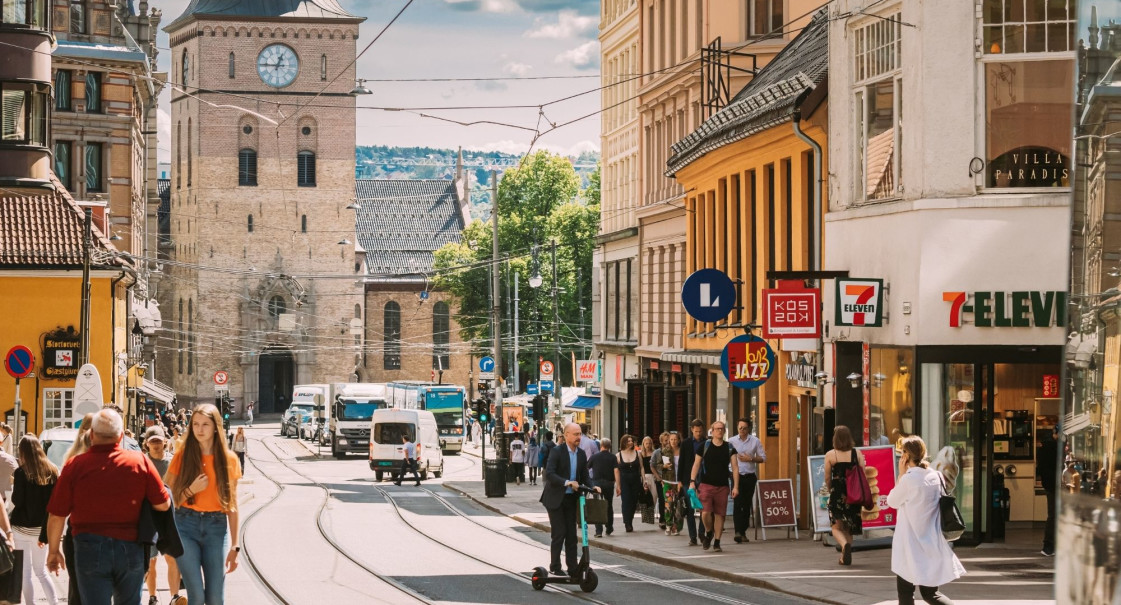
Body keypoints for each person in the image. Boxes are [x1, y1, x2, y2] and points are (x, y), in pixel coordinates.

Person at [46, 409, 171, 604]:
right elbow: (163, 505)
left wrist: (53, 551)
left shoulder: (75, 465)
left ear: (92, 435)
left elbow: (57, 515)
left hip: (88, 545)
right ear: (121, 436)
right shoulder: (140, 462)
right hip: (130, 545)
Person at [165, 404, 242, 605]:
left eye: (205, 424)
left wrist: (235, 545)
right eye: (196, 424)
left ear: (216, 427)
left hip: (216, 528)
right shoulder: (182, 456)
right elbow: (166, 496)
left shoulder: (230, 459)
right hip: (185, 526)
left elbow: (232, 505)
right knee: (197, 597)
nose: (200, 429)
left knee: (216, 599)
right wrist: (191, 490)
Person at [888, 436, 965, 604]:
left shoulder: (908, 479)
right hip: (930, 541)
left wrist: (900, 475)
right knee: (931, 594)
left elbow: (892, 501)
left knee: (906, 593)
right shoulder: (935, 476)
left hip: (909, 544)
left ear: (906, 456)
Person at [540, 423, 595, 577]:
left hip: (572, 498)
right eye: (576, 434)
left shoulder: (581, 454)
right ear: (566, 435)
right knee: (559, 532)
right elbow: (550, 474)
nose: (579, 437)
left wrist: (593, 486)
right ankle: (555, 566)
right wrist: (567, 482)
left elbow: (584, 475)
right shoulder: (557, 452)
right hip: (555, 498)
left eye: (580, 434)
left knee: (571, 534)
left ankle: (572, 568)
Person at [11, 435, 60, 605]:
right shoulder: (53, 471)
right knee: (41, 571)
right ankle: (54, 603)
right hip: (42, 529)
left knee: (25, 572)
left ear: (23, 452)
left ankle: (30, 604)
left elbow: (17, 501)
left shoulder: (21, 472)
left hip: (21, 528)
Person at [143, 426, 185, 605]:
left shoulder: (172, 462)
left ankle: (174, 596)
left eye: (159, 441)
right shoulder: (143, 462)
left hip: (169, 518)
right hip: (149, 519)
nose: (156, 444)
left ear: (165, 442)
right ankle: (152, 597)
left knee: (172, 558)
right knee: (151, 561)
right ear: (146, 443)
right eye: (152, 441)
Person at [689, 421, 739, 552]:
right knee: (705, 513)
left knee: (720, 515)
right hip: (706, 485)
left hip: (722, 486)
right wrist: (692, 481)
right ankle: (709, 531)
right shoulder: (704, 446)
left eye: (722, 429)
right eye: (717, 429)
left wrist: (735, 487)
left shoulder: (730, 448)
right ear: (712, 431)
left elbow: (735, 468)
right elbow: (696, 464)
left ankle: (717, 542)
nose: (720, 431)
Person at [824, 425, 864, 565]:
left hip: (837, 492)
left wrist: (831, 490)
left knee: (836, 526)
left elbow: (828, 477)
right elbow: (862, 475)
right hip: (853, 494)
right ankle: (845, 554)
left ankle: (844, 545)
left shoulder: (831, 454)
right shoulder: (857, 453)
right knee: (849, 526)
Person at [729, 418, 766, 543]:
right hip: (735, 475)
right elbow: (725, 457)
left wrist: (751, 458)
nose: (742, 430)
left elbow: (763, 458)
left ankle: (743, 531)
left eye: (744, 428)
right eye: (740, 428)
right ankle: (737, 532)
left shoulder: (755, 441)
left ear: (749, 428)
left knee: (746, 504)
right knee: (737, 502)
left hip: (749, 476)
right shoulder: (731, 441)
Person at [678, 419, 706, 546]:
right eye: (696, 431)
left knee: (703, 508)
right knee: (689, 508)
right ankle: (692, 536)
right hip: (687, 479)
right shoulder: (686, 443)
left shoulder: (707, 443)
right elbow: (681, 462)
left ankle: (701, 533)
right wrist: (679, 481)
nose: (698, 433)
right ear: (692, 430)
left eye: (700, 431)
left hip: (704, 478)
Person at [614, 434, 647, 533]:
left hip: (635, 480)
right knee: (626, 501)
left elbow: (641, 467)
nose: (631, 442)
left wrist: (644, 480)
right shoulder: (618, 455)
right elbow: (617, 471)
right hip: (624, 481)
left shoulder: (637, 453)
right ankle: (627, 523)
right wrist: (618, 485)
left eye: (631, 441)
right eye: (628, 441)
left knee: (634, 501)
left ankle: (630, 520)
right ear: (623, 442)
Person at [587, 439, 617, 537]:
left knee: (597, 506)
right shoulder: (613, 457)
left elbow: (586, 467)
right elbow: (616, 471)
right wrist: (618, 485)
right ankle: (609, 527)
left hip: (597, 484)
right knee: (609, 505)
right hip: (609, 483)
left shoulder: (594, 457)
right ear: (609, 446)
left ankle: (598, 531)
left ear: (601, 446)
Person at [1036, 428, 1057, 557]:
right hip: (1056, 485)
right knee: (1055, 515)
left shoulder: (1041, 450)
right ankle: (1049, 546)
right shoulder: (1056, 448)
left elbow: (1041, 469)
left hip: (1049, 485)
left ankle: (1049, 545)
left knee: (1052, 515)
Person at [650, 432, 670, 530]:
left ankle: (670, 519)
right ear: (661, 441)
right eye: (666, 440)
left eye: (669, 440)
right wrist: (658, 477)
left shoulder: (672, 451)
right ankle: (662, 520)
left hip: (671, 479)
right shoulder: (657, 452)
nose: (668, 442)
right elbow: (652, 465)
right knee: (662, 499)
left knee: (670, 500)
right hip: (660, 479)